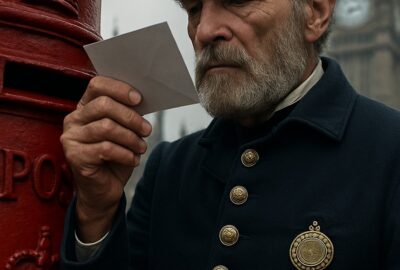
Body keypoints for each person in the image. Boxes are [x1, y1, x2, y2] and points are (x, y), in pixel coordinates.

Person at [60, 0, 400, 269]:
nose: (205, 30)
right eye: (194, 9)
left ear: (315, 12)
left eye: (238, 0)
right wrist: (96, 213)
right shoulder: (168, 169)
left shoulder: (389, 153)